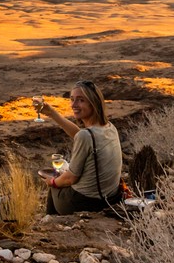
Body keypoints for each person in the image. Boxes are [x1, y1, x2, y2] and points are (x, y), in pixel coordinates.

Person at [32, 82, 123, 214]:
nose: (74, 105)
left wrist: (53, 182)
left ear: (93, 103)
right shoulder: (109, 127)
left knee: (55, 188)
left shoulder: (86, 136)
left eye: (81, 100)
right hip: (112, 197)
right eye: (72, 99)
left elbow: (71, 178)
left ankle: (51, 222)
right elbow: (79, 135)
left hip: (87, 202)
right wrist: (52, 113)